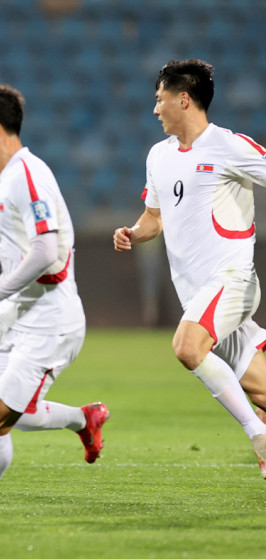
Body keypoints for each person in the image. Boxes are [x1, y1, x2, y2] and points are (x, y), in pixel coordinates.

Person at [0, 85, 109, 520]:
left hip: (50, 323)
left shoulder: (28, 175)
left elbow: (48, 251)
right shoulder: (3, 175)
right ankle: (84, 419)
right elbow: (22, 253)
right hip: (17, 316)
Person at [113, 59, 266, 478]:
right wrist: (133, 232)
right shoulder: (158, 156)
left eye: (160, 99)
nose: (155, 109)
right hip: (197, 296)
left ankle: (257, 437)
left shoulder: (229, 146)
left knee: (186, 347)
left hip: (232, 281)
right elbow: (154, 218)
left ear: (184, 99)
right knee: (260, 389)